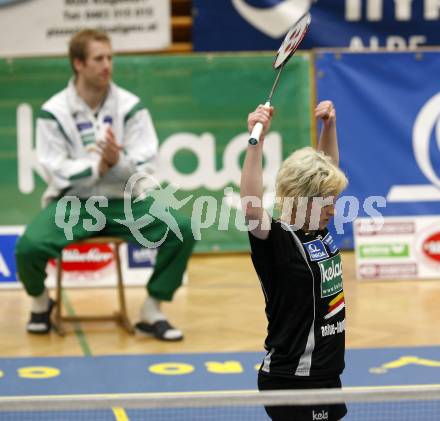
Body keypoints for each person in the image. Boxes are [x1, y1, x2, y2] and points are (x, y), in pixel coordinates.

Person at [15, 29, 195, 341]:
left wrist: (118, 163)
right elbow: (52, 167)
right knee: (28, 248)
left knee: (183, 228)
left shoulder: (130, 106)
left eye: (110, 58)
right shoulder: (53, 111)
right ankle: (41, 303)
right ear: (78, 64)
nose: (107, 65)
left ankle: (152, 310)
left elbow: (147, 163)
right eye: (99, 59)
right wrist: (96, 166)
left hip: (126, 202)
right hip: (74, 204)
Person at [240, 101, 348, 420]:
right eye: (326, 201)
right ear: (303, 199)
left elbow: (327, 166)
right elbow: (250, 206)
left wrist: (329, 126)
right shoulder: (277, 240)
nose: (333, 208)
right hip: (293, 380)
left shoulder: (320, 232)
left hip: (327, 376)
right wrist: (255, 140)